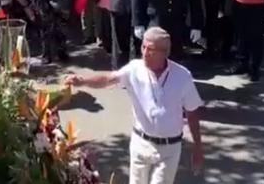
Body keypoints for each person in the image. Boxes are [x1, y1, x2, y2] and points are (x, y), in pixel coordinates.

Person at [63, 27, 204, 184]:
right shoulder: (134, 69)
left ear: (164, 53)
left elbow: (192, 112)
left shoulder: (182, 76)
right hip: (141, 144)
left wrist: (197, 147)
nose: (144, 53)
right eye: (143, 47)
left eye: (151, 49)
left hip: (169, 149)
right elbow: (108, 79)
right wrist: (83, 81)